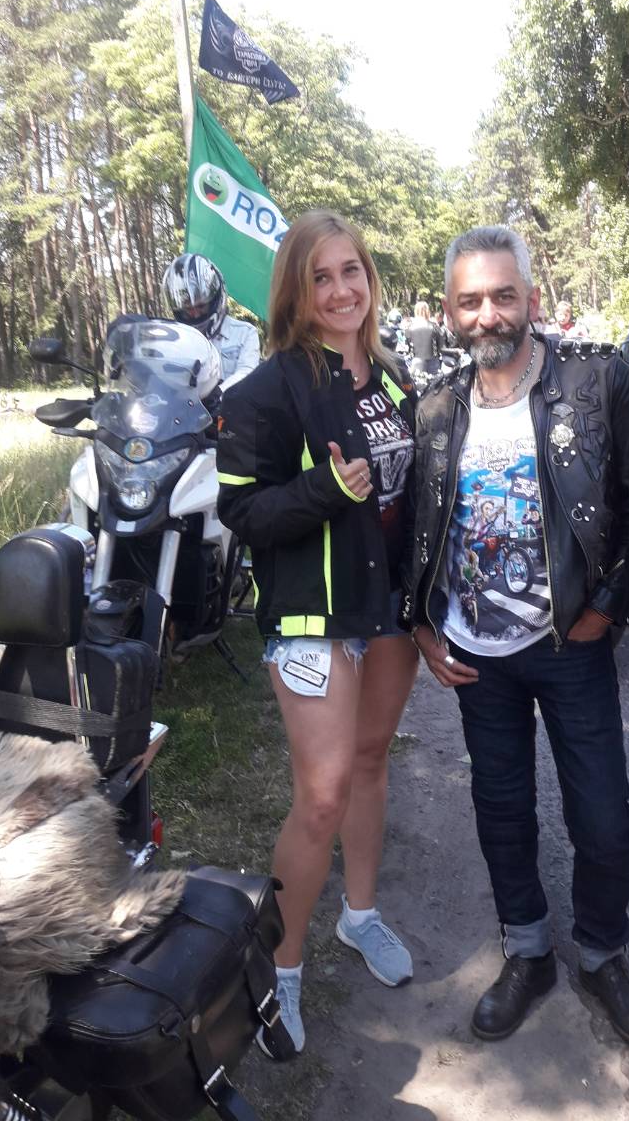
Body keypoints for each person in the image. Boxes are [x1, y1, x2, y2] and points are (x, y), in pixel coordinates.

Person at [402, 225, 629, 1046]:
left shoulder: (594, 381)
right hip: (478, 654)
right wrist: (419, 621)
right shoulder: (436, 407)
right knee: (502, 809)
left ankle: (604, 954)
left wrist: (608, 604)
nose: (488, 315)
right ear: (450, 312)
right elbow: (416, 522)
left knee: (603, 817)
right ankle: (529, 951)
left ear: (531, 300)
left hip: (571, 645)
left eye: (503, 296)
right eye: (471, 301)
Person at [216, 210, 419, 1054]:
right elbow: (241, 512)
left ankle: (359, 916)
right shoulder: (264, 389)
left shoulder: (394, 375)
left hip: (389, 611)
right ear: (295, 293)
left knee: (370, 762)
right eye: (320, 277)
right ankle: (281, 967)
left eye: (351, 271)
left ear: (370, 277)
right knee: (323, 794)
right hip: (312, 615)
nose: (340, 291)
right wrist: (326, 492)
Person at [162, 253, 260, 390]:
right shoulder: (175, 343)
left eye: (201, 306)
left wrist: (219, 392)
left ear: (214, 300)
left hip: (233, 403)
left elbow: (247, 372)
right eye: (188, 309)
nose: (195, 314)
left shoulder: (245, 333)